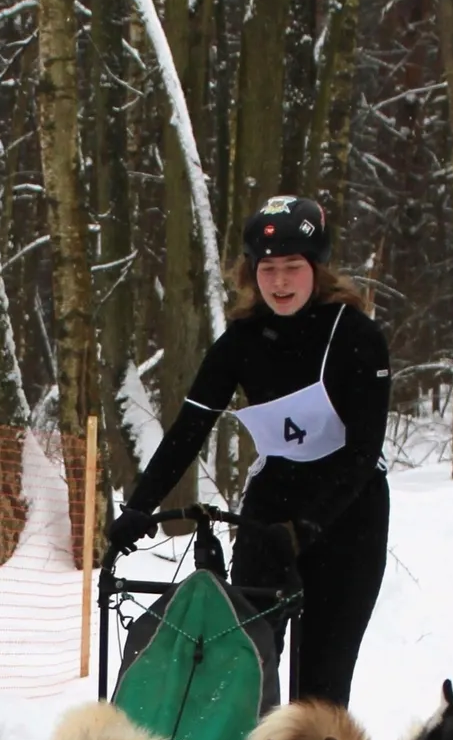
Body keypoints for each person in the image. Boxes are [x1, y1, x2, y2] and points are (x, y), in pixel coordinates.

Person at [107, 195, 392, 708]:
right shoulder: (242, 340)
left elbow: (363, 450)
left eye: (292, 268)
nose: (280, 283)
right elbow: (189, 429)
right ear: (250, 273)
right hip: (272, 511)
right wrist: (137, 508)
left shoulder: (356, 336)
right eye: (268, 270)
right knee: (242, 665)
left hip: (350, 514)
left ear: (317, 270)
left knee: (321, 687)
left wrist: (311, 525)